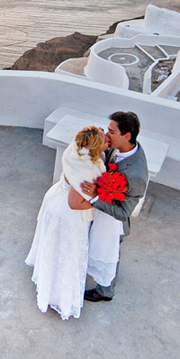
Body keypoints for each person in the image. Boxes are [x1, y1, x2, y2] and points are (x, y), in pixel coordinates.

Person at [25, 126, 108, 320]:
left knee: (54, 247)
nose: (108, 142)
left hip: (55, 201)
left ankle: (48, 280)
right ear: (95, 149)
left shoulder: (77, 149)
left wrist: (96, 133)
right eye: (104, 140)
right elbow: (75, 203)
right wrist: (98, 196)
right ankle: (57, 296)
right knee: (66, 252)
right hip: (68, 215)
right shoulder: (87, 171)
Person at [81, 111, 149, 303]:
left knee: (110, 252)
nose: (106, 134)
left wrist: (95, 197)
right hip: (101, 209)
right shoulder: (121, 147)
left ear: (127, 136)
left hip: (113, 221)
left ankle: (106, 291)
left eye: (111, 131)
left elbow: (124, 212)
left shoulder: (136, 174)